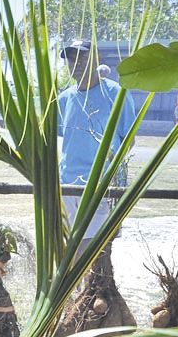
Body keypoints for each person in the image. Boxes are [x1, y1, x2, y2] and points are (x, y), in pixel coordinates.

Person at [57, 38, 137, 244]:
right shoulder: (64, 99)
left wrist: (112, 176)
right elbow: (65, 139)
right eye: (71, 58)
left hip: (101, 186)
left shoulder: (115, 93)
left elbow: (129, 140)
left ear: (96, 58)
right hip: (67, 184)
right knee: (68, 245)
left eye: (82, 56)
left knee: (95, 251)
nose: (77, 62)